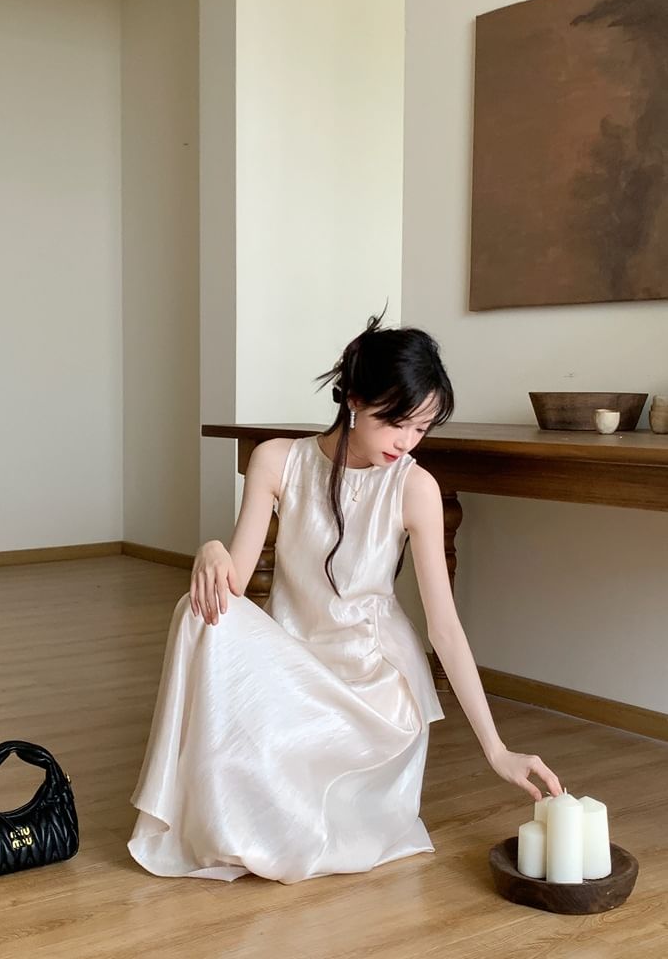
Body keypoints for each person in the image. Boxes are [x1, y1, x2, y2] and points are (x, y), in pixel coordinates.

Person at [127, 311, 563, 884]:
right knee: (199, 612)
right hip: (294, 666)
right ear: (354, 399)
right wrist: (210, 549)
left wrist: (497, 749)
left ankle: (302, 803)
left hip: (373, 693)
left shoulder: (415, 487)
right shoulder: (278, 460)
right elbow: (231, 585)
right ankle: (214, 809)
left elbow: (444, 629)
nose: (406, 442)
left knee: (293, 813)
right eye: (396, 422)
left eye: (421, 428)